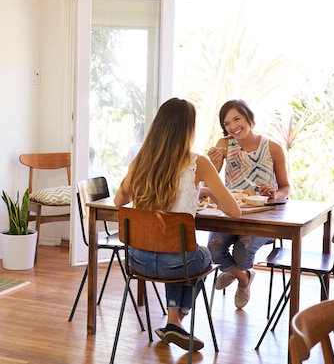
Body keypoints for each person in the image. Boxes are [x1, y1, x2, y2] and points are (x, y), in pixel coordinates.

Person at [114, 97, 241, 352]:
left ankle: (174, 322)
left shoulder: (140, 162)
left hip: (137, 261)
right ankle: (176, 320)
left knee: (176, 247)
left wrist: (197, 191)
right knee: (197, 254)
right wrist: (209, 190)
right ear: (188, 130)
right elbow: (234, 212)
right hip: (177, 264)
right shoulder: (198, 164)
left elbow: (120, 200)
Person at [204, 99, 290, 309]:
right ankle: (243, 278)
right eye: (227, 123)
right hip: (231, 213)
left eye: (237, 119)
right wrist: (212, 162)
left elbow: (286, 188)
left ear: (249, 118)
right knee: (213, 250)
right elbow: (210, 179)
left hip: (263, 217)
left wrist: (274, 194)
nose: (233, 127)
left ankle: (236, 270)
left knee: (243, 252)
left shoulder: (273, 148)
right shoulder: (225, 144)